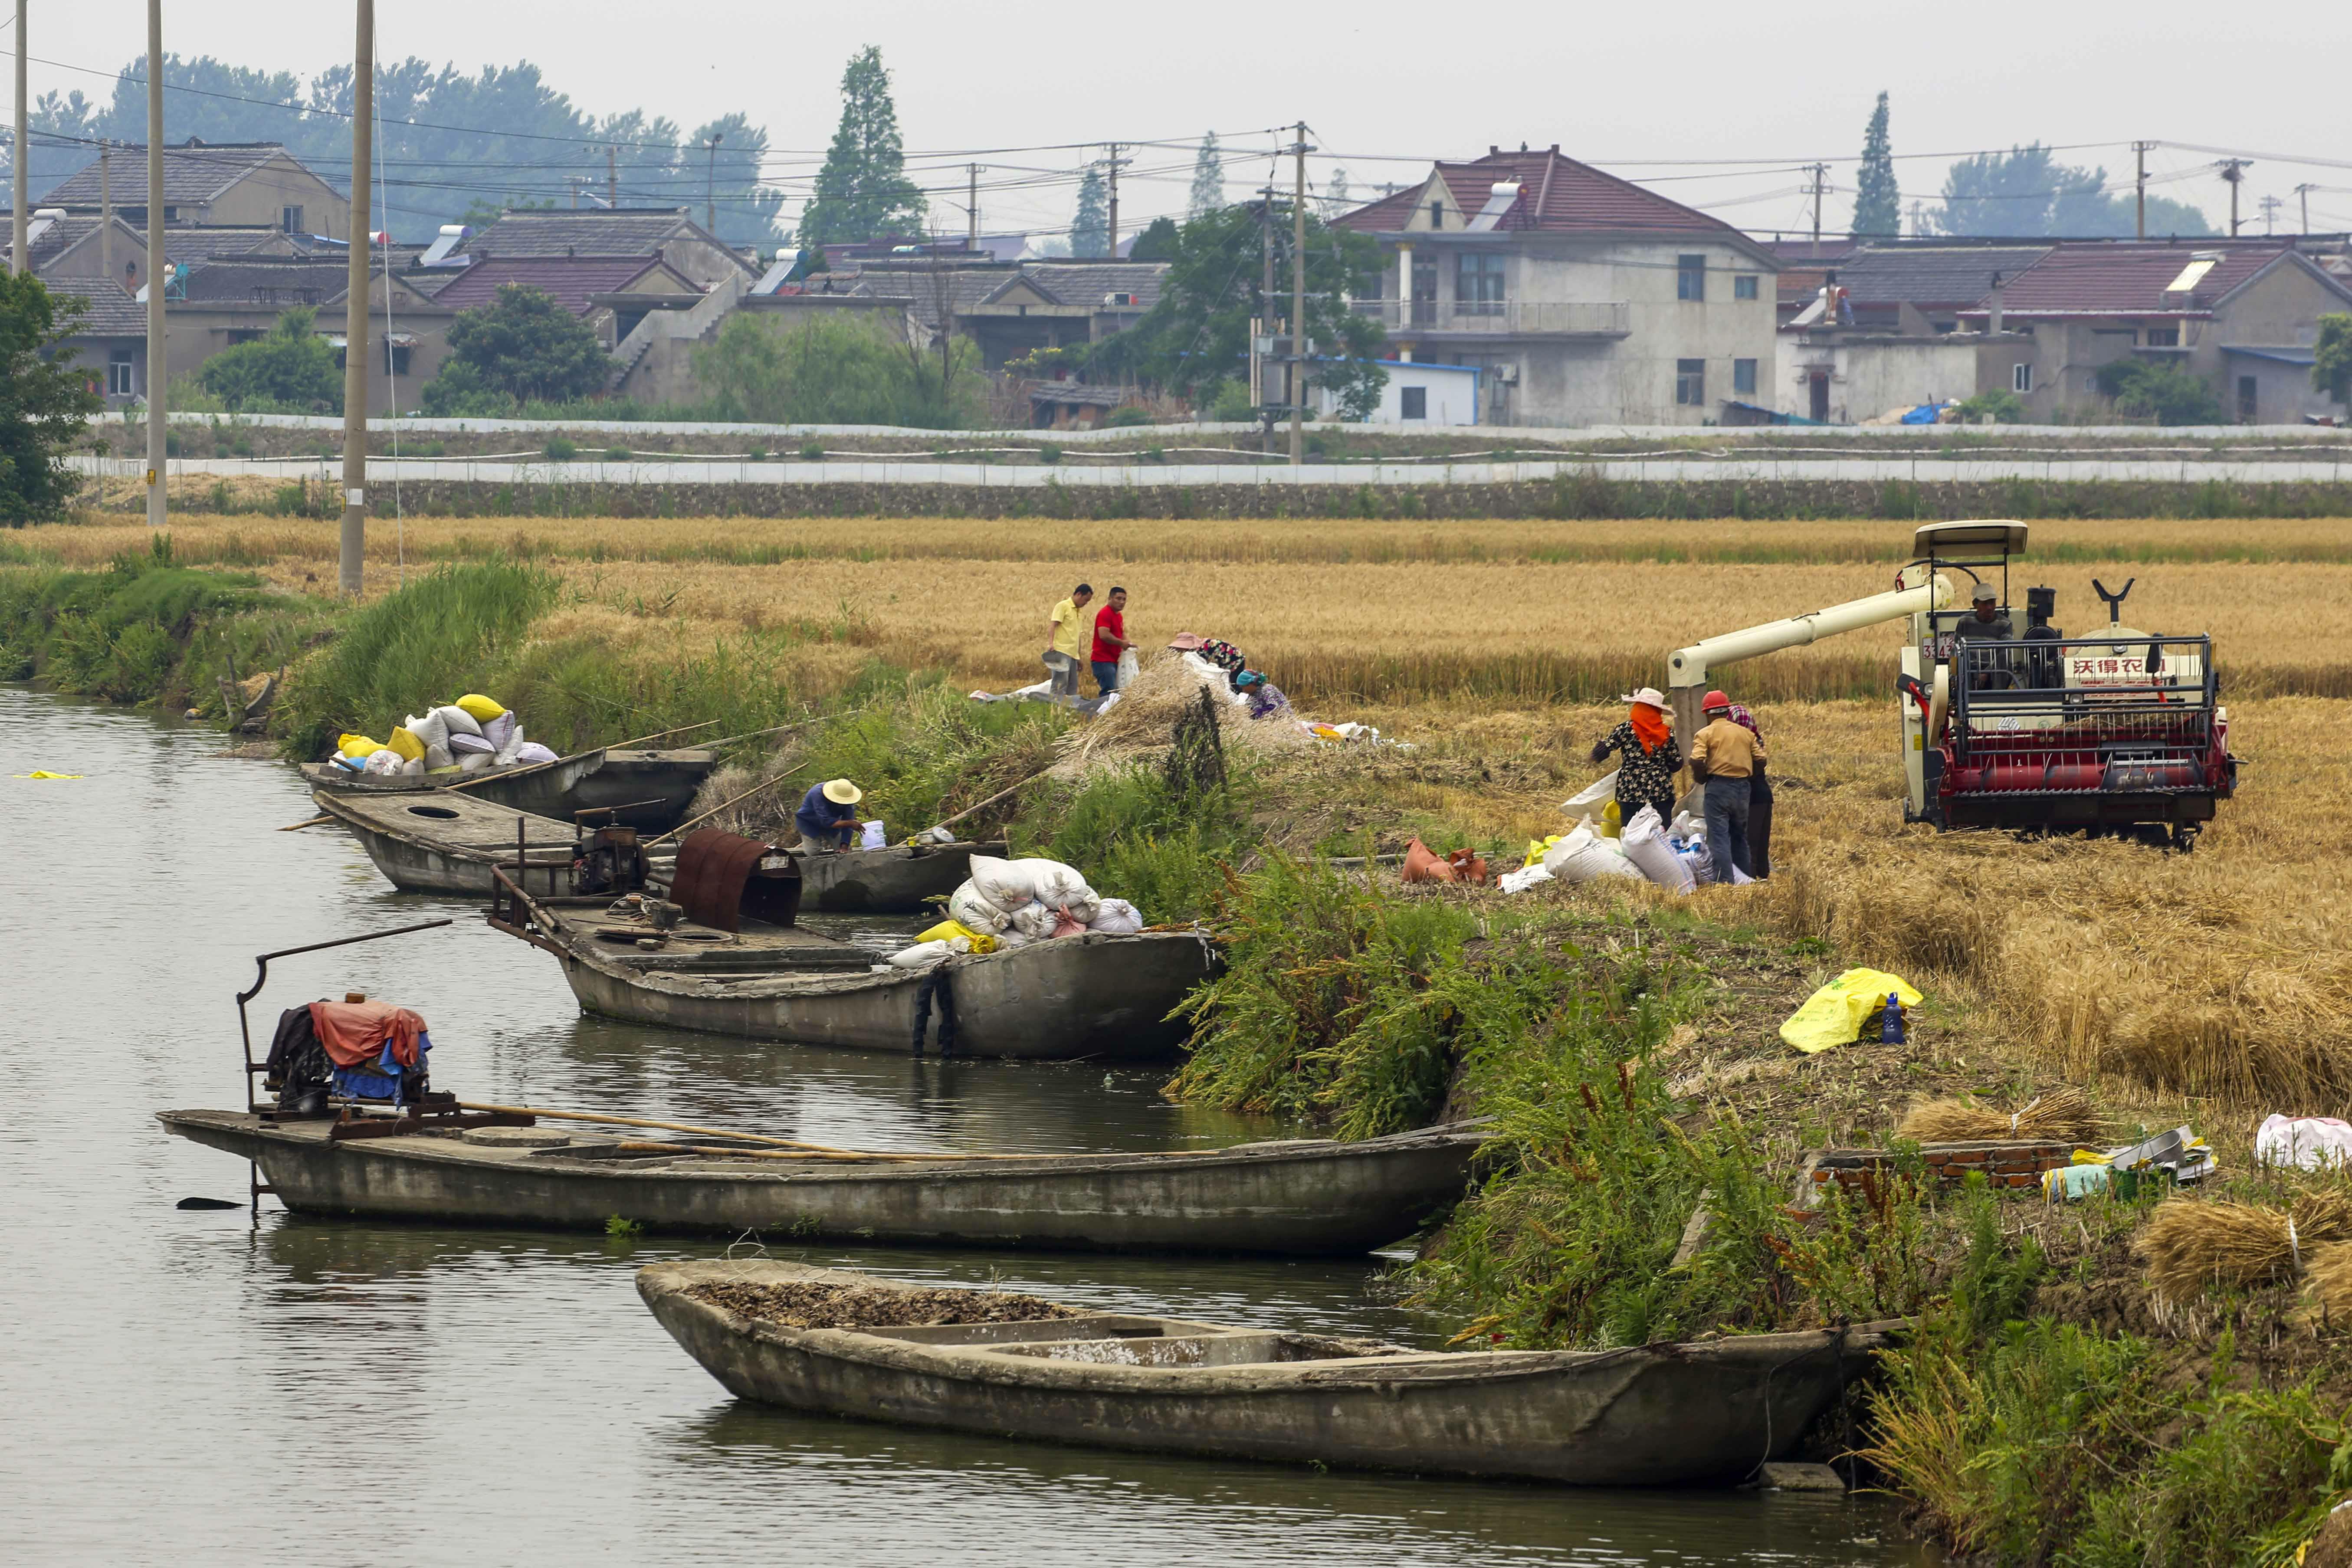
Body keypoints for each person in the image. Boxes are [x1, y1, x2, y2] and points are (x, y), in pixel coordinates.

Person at [1688, 690, 1764, 882]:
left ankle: (1726, 883)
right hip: (1743, 789)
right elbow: (1761, 759)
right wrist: (1748, 775)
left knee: (1719, 837)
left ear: (1707, 713)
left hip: (1719, 788)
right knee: (1740, 837)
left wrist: (1702, 779)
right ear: (1727, 711)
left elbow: (1696, 761)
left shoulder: (1705, 733)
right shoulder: (1746, 733)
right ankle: (1746, 881)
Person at [1590, 686, 1683, 828]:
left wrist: (1594, 757)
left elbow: (1604, 748)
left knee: (1630, 835)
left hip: (1630, 792)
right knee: (1661, 833)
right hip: (1660, 793)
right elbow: (1676, 764)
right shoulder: (1666, 733)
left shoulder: (1625, 730)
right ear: (1657, 712)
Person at [1724, 699, 1772, 880]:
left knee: (1749, 845)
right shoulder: (1756, 741)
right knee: (1760, 846)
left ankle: (1750, 883)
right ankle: (1763, 880)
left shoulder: (1744, 745)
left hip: (1753, 799)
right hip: (1764, 797)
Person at [1945, 583, 2015, 689]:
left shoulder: (2005, 624)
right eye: (1985, 604)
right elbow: (1955, 650)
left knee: (2004, 657)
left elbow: (2004, 652)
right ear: (1975, 605)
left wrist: (1987, 673)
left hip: (1995, 669)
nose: (1990, 608)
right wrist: (1953, 675)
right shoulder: (1965, 622)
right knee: (1961, 657)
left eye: (1992, 603)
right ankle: (1964, 698)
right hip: (1970, 669)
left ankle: (1998, 698)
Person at [1043, 583, 1094, 699]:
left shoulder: (1079, 612)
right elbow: (1053, 626)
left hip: (1073, 655)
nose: (1085, 604)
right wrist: (1051, 644)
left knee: (1072, 687)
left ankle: (1068, 713)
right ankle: (1055, 712)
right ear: (1079, 594)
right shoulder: (1063, 606)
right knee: (1060, 685)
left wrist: (1079, 657)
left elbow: (1076, 636)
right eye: (1085, 600)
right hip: (1061, 651)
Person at [794, 777, 863, 853]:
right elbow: (826, 821)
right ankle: (810, 844)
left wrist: (844, 846)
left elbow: (848, 824)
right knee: (813, 852)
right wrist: (850, 823)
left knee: (846, 852)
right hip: (809, 823)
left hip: (833, 824)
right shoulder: (817, 794)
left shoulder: (848, 801)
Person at [1089, 586, 1133, 697]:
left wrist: (1129, 643)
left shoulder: (1118, 616)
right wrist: (1121, 643)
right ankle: (1104, 713)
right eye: (1118, 599)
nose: (1122, 602)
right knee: (1109, 692)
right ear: (1110, 599)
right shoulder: (1105, 613)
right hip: (1103, 661)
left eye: (1124, 600)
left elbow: (1121, 632)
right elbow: (1104, 635)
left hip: (1113, 660)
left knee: (1115, 692)